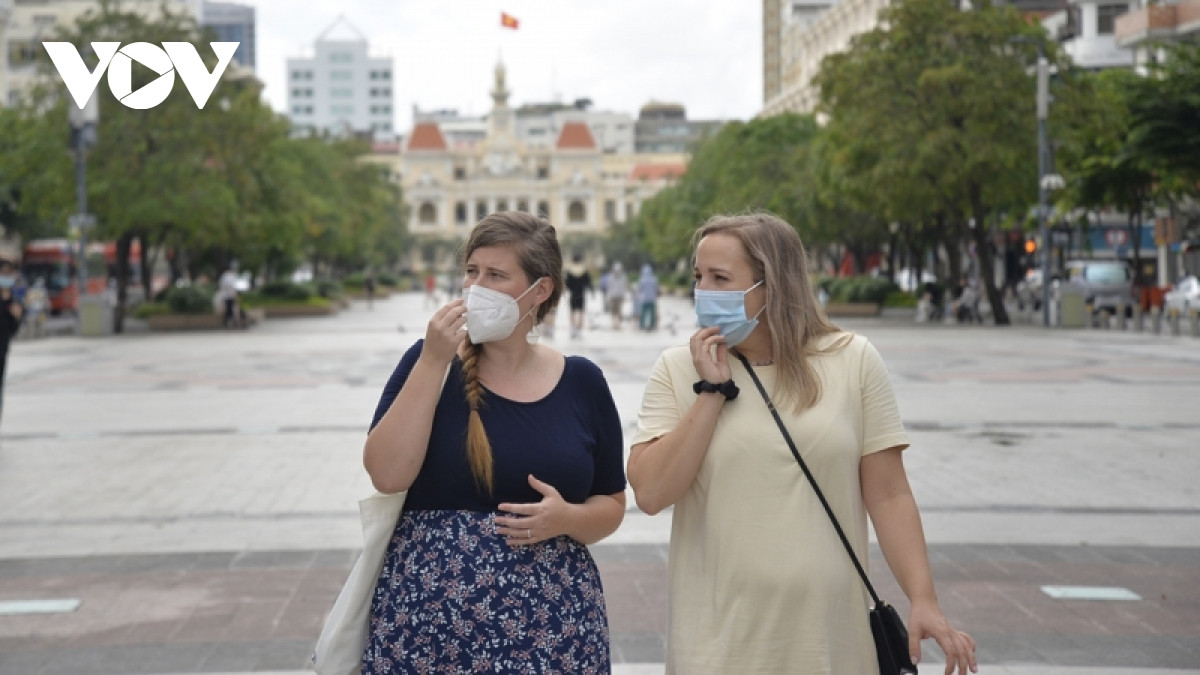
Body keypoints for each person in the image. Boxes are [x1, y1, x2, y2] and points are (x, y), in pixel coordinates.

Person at [627, 213, 977, 675]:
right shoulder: (676, 370)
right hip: (716, 642)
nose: (703, 293)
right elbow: (651, 493)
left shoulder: (852, 360)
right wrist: (711, 391)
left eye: (720, 278)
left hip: (831, 638)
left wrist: (923, 598)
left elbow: (889, 493)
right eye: (698, 278)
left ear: (771, 286)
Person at [361, 211, 627, 673]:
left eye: (496, 275)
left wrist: (567, 517)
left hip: (552, 626)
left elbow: (612, 504)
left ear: (539, 291)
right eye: (471, 272)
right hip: (428, 626)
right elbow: (386, 473)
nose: (475, 288)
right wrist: (432, 361)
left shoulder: (582, 381)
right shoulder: (428, 364)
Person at [0, 259, 24, 422]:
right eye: (3, 273)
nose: (5, 277)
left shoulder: (14, 301)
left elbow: (13, 330)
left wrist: (16, 317)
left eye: (9, 273)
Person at [564, 254, 593, 339]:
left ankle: (573, 329)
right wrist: (592, 291)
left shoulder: (569, 272)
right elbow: (588, 283)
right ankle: (579, 330)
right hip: (581, 294)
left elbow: (567, 283)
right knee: (581, 311)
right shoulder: (584, 271)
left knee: (572, 311)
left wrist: (567, 290)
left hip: (573, 294)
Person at [636, 263, 660, 332]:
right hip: (652, 299)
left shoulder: (642, 280)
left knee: (643, 313)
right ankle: (651, 325)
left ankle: (642, 325)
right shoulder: (654, 279)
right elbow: (657, 289)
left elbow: (639, 289)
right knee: (652, 313)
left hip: (644, 299)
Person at [605, 261, 627, 330]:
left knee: (619, 311)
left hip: (619, 296)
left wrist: (624, 296)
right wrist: (608, 296)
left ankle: (618, 324)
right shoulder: (611, 277)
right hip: (613, 296)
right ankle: (614, 324)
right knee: (614, 311)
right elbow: (609, 287)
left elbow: (624, 287)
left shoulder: (623, 277)